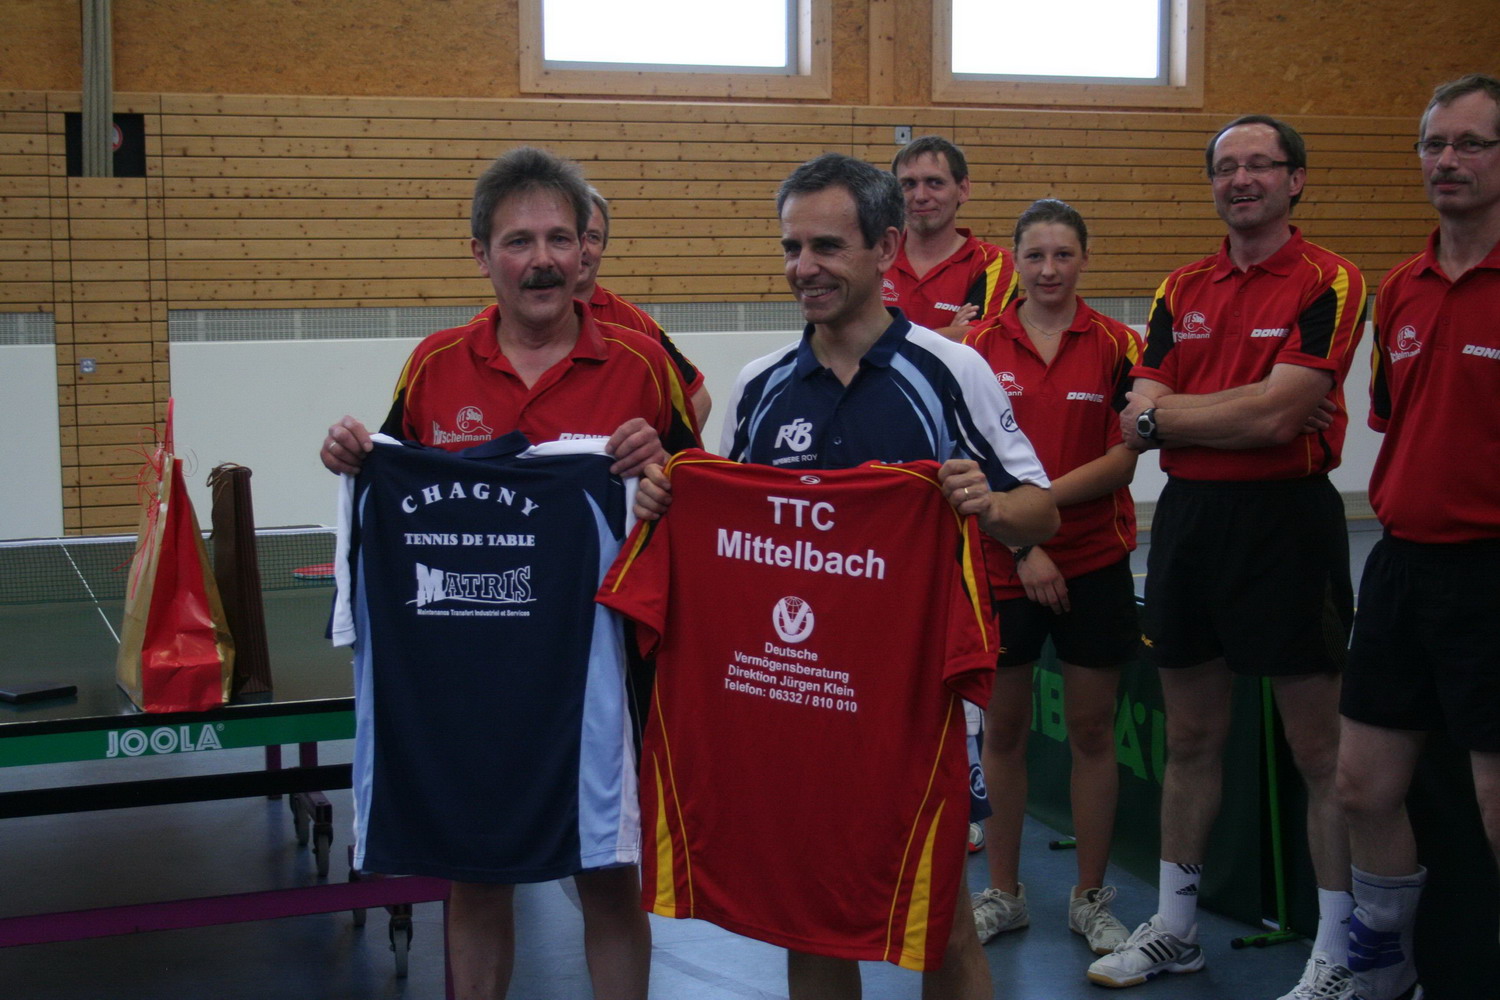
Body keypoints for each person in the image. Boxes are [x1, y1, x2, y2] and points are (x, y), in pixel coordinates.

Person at [636, 151, 1058, 1000]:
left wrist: (988, 505)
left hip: (913, 700)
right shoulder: (760, 387)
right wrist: (663, 499)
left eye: (827, 247)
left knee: (941, 926)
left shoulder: (951, 371)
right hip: (795, 695)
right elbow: (724, 526)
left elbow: (1040, 511)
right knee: (805, 918)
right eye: (792, 248)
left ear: (886, 248)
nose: (804, 268)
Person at [320, 145, 700, 1000]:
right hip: (469, 674)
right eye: (519, 241)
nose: (543, 260)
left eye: (560, 239)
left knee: (607, 873)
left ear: (585, 249)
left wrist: (662, 472)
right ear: (481, 254)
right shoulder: (434, 365)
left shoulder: (640, 365)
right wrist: (352, 455)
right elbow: (392, 478)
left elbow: (699, 493)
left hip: (598, 676)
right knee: (476, 875)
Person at [1092, 116, 1369, 1000]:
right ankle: (1177, 929)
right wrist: (1222, 410)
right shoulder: (1181, 286)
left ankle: (1338, 950)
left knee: (1319, 751)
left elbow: (1280, 417)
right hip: (1191, 522)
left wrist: (1176, 416)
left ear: (1296, 180)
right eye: (1227, 167)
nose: (1242, 179)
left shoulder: (1331, 278)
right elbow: (1138, 415)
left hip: (1288, 524)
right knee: (1192, 738)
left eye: (1261, 165)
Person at [1335, 73, 1500, 1000]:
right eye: (1435, 144)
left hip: (1491, 572)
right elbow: (1395, 417)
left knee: (1494, 808)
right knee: (1362, 788)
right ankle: (1388, 970)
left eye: (1471, 143)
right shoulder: (1399, 287)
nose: (1448, 160)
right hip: (1401, 568)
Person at [964, 199, 1141, 958]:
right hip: (1002, 566)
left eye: (1063, 255)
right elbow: (963, 458)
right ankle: (1004, 894)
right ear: (1015, 261)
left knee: (1093, 733)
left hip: (1094, 562)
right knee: (1002, 732)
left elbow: (1124, 458)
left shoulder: (1119, 344)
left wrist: (1037, 509)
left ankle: (1089, 898)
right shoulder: (975, 347)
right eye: (1034, 255)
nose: (1048, 269)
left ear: (1084, 260)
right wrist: (1022, 543)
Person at [577, 186, 713, 425]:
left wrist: (662, 448)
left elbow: (698, 398)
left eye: (594, 237)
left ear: (604, 247)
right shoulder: (516, 320)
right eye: (571, 235)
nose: (583, 248)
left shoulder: (635, 323)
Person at [884, 136, 1018, 340]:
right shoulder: (875, 255)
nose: (920, 196)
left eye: (935, 183)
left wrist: (888, 341)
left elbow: (984, 340)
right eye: (908, 184)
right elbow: (849, 335)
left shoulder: (992, 262)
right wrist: (948, 336)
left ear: (963, 190)